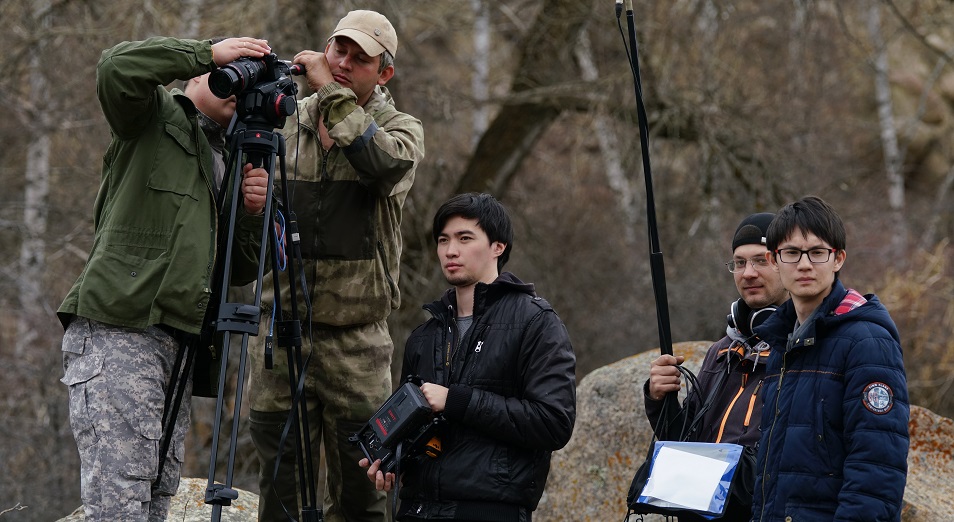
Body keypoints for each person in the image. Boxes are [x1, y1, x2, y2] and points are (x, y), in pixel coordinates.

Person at [57, 36, 273, 522]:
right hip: (120, 328)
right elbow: (115, 67)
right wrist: (208, 51)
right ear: (195, 75)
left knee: (155, 498)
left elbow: (239, 270)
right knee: (119, 501)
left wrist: (253, 211)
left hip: (180, 343)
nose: (239, 86)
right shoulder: (152, 117)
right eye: (231, 72)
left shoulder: (230, 160)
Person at [246, 9, 425, 522]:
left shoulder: (400, 130)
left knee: (361, 494)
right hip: (280, 335)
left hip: (357, 342)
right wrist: (253, 202)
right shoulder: (286, 124)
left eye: (359, 58)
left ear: (383, 72)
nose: (343, 63)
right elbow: (253, 235)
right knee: (280, 492)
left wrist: (330, 95)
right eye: (337, 51)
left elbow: (383, 166)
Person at [360, 193, 577, 521]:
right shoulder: (424, 335)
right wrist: (391, 462)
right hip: (416, 509)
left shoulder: (536, 322)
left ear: (497, 247)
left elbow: (553, 422)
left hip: (490, 510)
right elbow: (416, 429)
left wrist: (456, 400)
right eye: (443, 240)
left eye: (465, 238)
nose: (450, 250)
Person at [751, 195, 909, 521]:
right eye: (792, 253)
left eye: (817, 252)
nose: (805, 264)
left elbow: (877, 468)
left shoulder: (867, 341)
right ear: (774, 260)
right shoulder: (781, 341)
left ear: (838, 259)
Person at [643, 213, 788, 521]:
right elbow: (683, 441)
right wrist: (659, 399)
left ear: (784, 263)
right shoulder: (721, 351)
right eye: (739, 262)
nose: (748, 273)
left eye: (761, 261)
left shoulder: (805, 352)